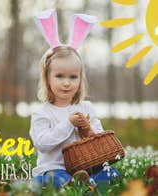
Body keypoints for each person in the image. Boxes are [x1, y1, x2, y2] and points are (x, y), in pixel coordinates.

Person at [29, 9, 119, 190]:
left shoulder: (86, 107)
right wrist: (68, 124)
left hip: (85, 167)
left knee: (112, 173)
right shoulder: (42, 112)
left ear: (80, 79)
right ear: (47, 78)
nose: (66, 83)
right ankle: (81, 187)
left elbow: (98, 136)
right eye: (59, 76)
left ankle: (86, 184)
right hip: (52, 169)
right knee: (55, 178)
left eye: (73, 77)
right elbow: (42, 144)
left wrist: (87, 127)